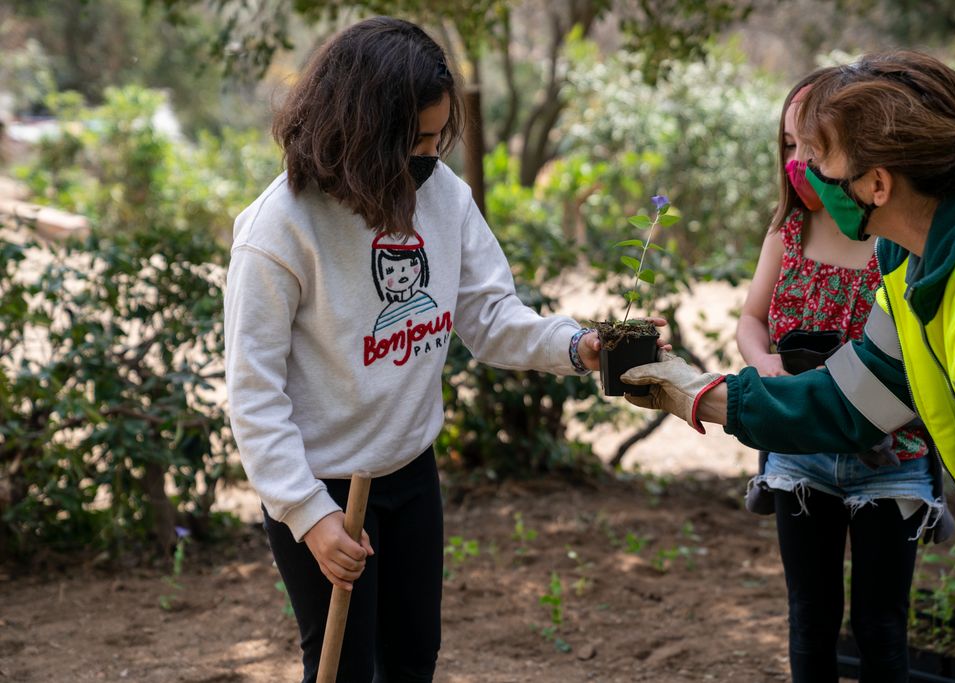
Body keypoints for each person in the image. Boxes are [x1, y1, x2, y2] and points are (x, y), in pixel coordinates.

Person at [223, 17, 647, 682]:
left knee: (413, 659)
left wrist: (578, 345)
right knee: (341, 669)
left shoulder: (444, 197)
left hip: (410, 472)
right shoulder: (278, 231)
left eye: (436, 139)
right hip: (322, 481)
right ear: (361, 132)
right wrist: (310, 515)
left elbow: (490, 316)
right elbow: (254, 393)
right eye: (414, 142)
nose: (428, 157)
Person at [621, 50, 955, 596]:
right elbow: (857, 399)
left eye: (820, 158)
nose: (806, 172)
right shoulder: (909, 262)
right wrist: (695, 394)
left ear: (876, 184)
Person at [736, 70, 945, 682]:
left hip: (895, 457)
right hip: (799, 453)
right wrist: (763, 363)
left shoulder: (900, 240)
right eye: (788, 145)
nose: (799, 160)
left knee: (882, 628)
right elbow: (751, 319)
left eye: (813, 145)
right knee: (811, 619)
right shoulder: (787, 231)